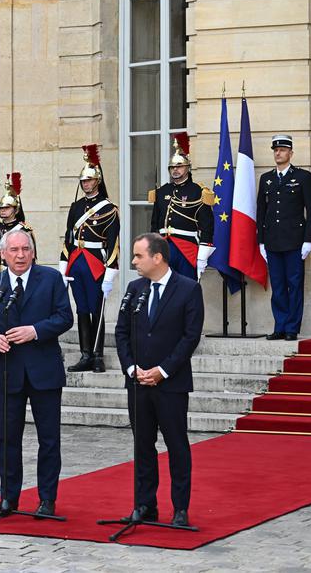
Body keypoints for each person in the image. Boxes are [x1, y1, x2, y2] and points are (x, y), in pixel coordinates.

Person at [0, 229, 73, 518]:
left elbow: (65, 317)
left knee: (49, 439)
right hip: (9, 372)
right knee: (8, 439)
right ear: (3, 254)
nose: (20, 255)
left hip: (44, 371)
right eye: (14, 250)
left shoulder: (51, 278)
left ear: (33, 252)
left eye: (25, 250)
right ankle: (8, 498)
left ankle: (47, 500)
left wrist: (35, 331)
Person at [114, 233, 203, 528]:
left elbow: (190, 337)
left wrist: (163, 371)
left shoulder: (188, 289)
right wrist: (131, 369)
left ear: (158, 258)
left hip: (171, 384)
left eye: (139, 256)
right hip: (138, 382)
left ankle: (180, 508)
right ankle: (144, 505)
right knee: (142, 445)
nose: (134, 261)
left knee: (176, 446)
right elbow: (122, 333)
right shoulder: (134, 288)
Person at [61, 144, 119, 374]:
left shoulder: (110, 209)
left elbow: (114, 243)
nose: (85, 184)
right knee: (82, 309)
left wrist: (110, 272)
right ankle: (85, 354)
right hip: (77, 262)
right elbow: (68, 238)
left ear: (98, 181)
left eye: (89, 180)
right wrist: (63, 268)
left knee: (97, 308)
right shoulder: (76, 207)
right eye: (83, 181)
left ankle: (97, 355)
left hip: (96, 262)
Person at [258, 134, 311, 341]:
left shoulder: (303, 177)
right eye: (275, 150)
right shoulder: (266, 179)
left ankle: (292, 327)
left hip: (295, 241)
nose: (278, 153)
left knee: (294, 284)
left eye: (283, 150)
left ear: (291, 153)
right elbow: (261, 210)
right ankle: (280, 326)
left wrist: (309, 239)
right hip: (273, 241)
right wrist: (261, 240)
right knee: (277, 285)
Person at [148, 133, 215, 281]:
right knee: (163, 289)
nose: (175, 170)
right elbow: (155, 224)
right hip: (163, 248)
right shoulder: (162, 191)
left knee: (186, 290)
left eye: (179, 166)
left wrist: (202, 257)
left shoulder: (199, 191)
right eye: (172, 167)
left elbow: (207, 226)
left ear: (188, 167)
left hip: (187, 250)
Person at [0, 174, 36, 281]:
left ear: (16, 210)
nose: (3, 210)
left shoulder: (24, 230)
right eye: (1, 208)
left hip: (15, 276)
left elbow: (30, 258)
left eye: (7, 207)